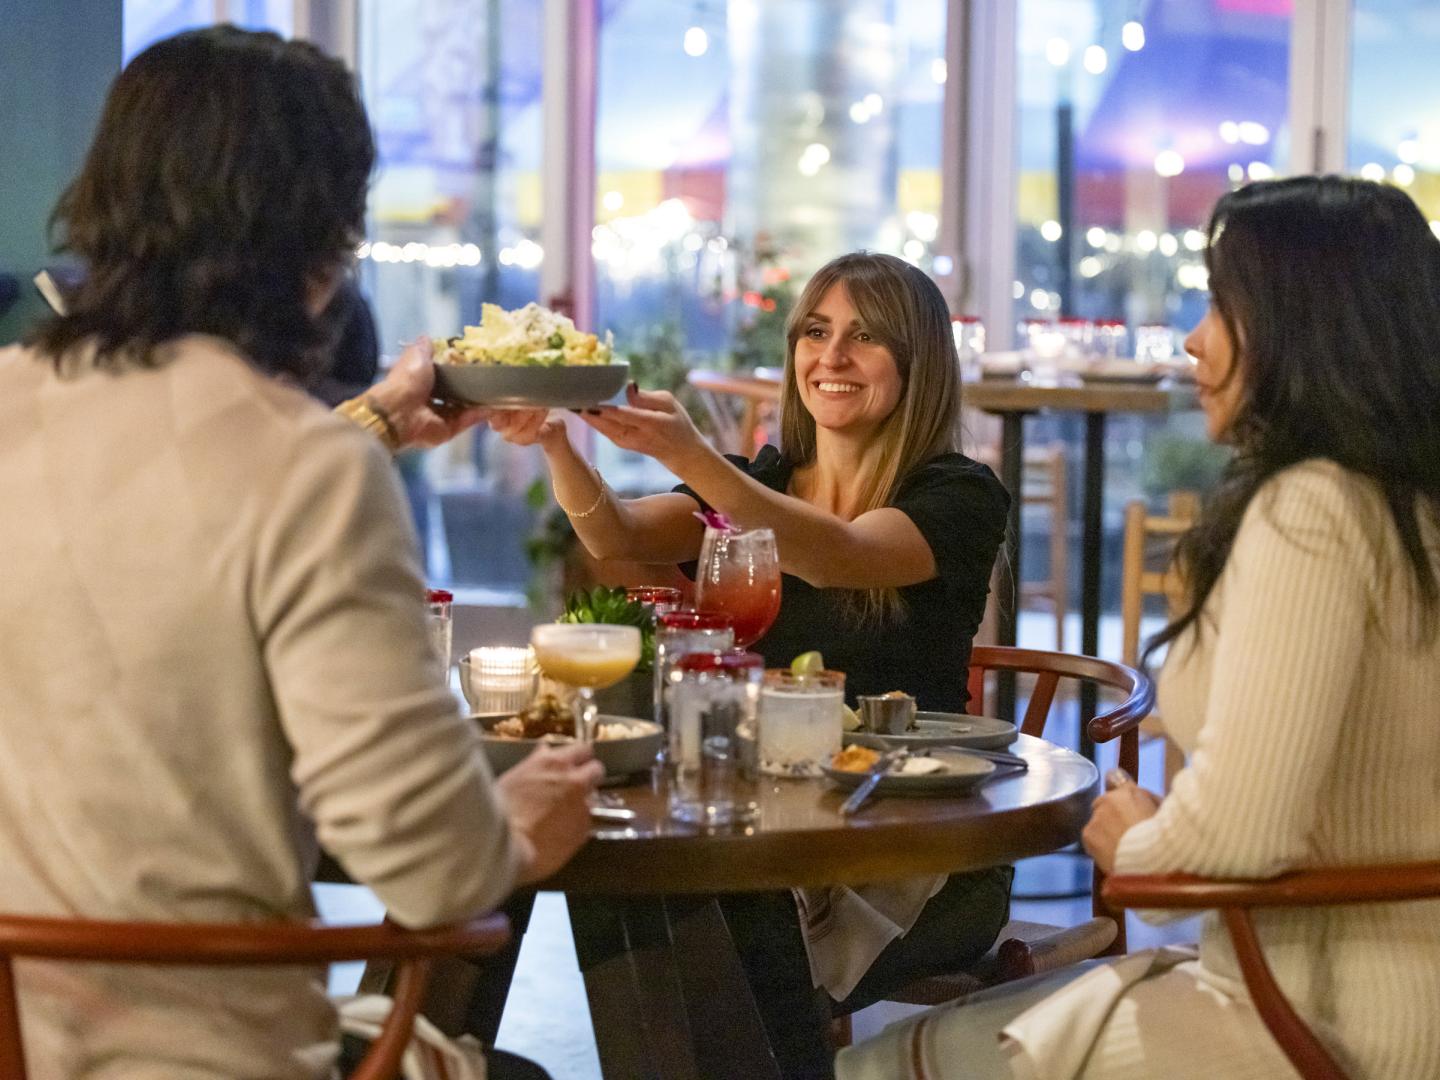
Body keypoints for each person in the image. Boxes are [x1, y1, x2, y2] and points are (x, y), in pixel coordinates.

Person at [0, 26, 600, 1080]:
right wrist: (512, 829)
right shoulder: (306, 474)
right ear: (322, 246)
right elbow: (432, 871)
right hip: (206, 1057)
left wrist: (366, 423)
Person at [838, 176, 1440, 1079]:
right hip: (1360, 995)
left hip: (1311, 1019)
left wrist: (1136, 838)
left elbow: (1240, 838)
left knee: (874, 1067)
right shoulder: (1408, 506)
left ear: (1303, 324)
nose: (1194, 338)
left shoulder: (1312, 510)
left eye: (1220, 303)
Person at [488, 251, 1012, 1078]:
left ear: (918, 364)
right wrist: (557, 440)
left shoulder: (958, 494)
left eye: (864, 338)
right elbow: (617, 536)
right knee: (615, 880)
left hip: (916, 849)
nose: (831, 357)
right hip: (770, 822)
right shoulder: (759, 481)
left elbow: (833, 554)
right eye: (816, 331)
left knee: (725, 903)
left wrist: (694, 456)